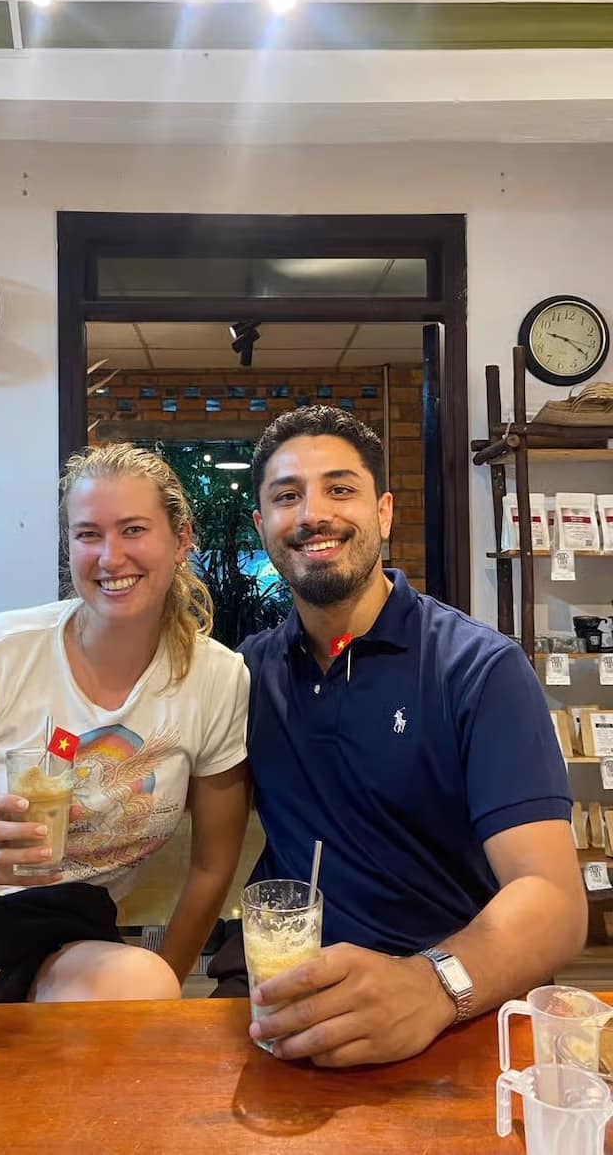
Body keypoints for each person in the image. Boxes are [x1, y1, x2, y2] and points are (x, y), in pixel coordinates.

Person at [209, 404, 586, 1068]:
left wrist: (431, 985)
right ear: (263, 525)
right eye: (287, 496)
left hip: (452, 1009)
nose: (313, 513)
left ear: (383, 513)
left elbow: (554, 901)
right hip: (284, 997)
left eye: (340, 489)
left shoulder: (477, 668)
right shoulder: (248, 673)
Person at [0, 444, 249, 1006]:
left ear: (181, 540)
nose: (111, 556)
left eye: (133, 529)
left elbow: (212, 864)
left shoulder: (217, 679)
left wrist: (168, 988)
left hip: (61, 932)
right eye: (88, 534)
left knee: (143, 986)